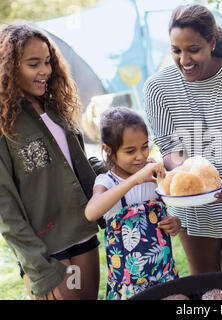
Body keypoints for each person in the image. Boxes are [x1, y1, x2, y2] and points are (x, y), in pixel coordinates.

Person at [143, 4, 222, 275]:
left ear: (211, 42)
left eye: (193, 49)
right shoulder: (158, 88)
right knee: (205, 281)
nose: (184, 59)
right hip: (190, 197)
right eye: (176, 50)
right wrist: (197, 181)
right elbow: (169, 149)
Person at [0, 23, 101, 300]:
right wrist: (38, 268)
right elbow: (6, 209)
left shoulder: (55, 107)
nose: (45, 71)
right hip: (45, 251)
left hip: (83, 233)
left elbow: (76, 164)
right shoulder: (4, 125)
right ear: (8, 67)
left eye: (47, 62)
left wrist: (120, 171)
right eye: (33, 64)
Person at [85, 107, 180, 300]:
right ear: (108, 150)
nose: (140, 156)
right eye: (130, 151)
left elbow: (168, 213)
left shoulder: (155, 176)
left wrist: (174, 223)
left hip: (164, 276)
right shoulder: (107, 182)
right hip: (129, 288)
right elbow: (91, 212)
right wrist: (134, 180)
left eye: (144, 147)